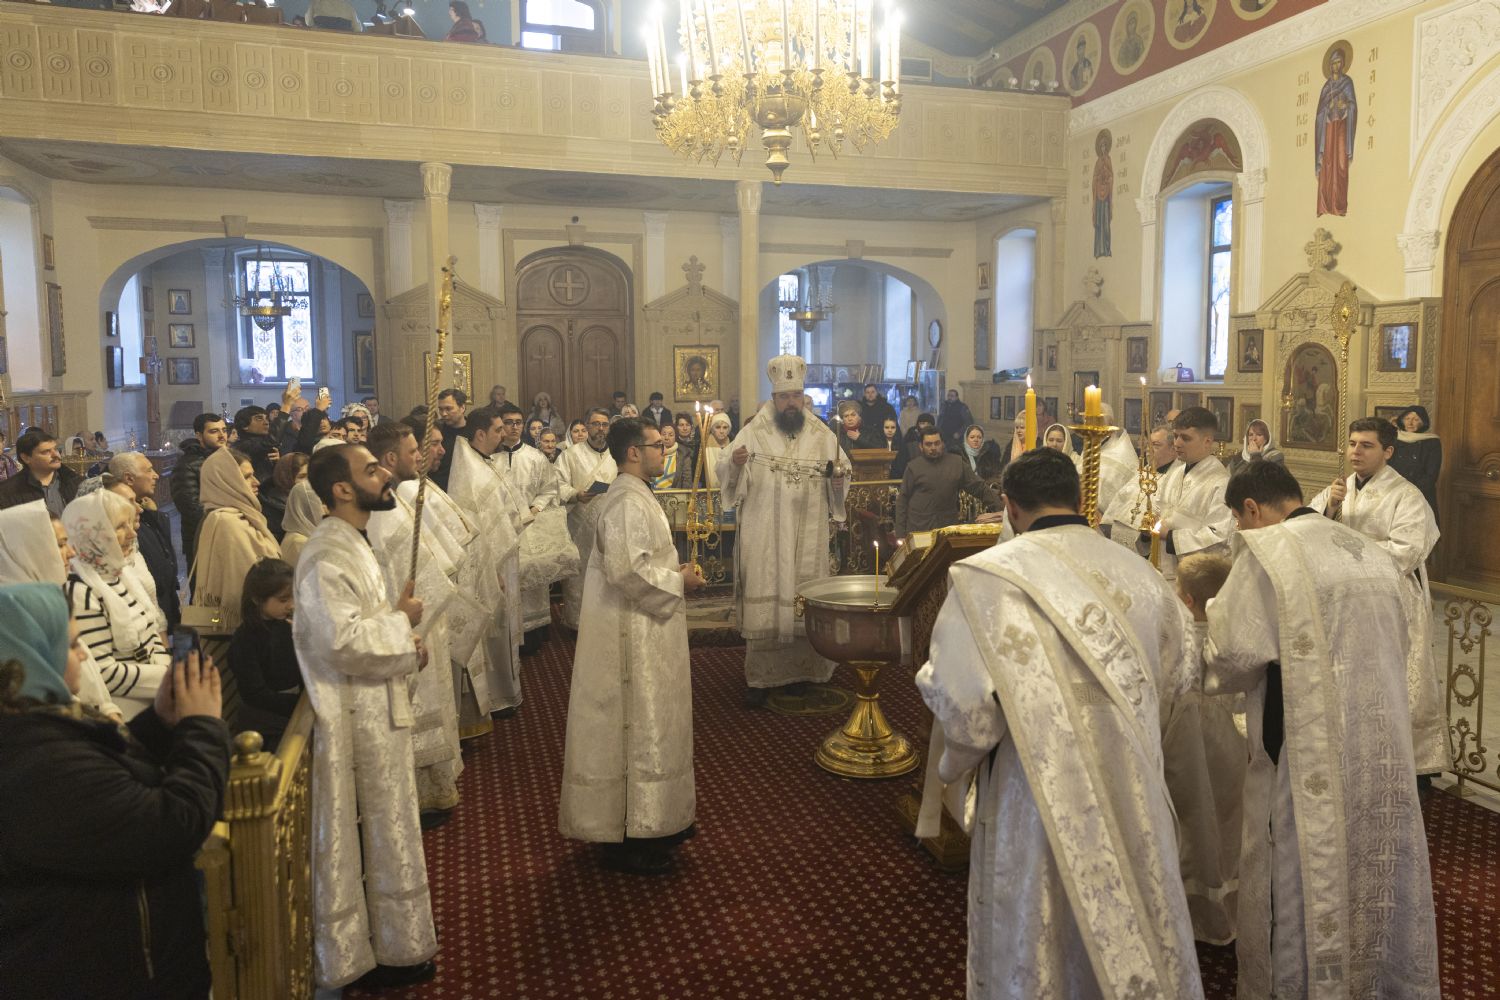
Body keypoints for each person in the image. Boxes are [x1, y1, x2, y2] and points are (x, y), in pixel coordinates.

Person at [915, 448, 1202, 998]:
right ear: (1078, 499)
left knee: (1038, 931)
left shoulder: (985, 579)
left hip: (1031, 795)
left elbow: (966, 711)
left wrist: (955, 770)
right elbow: (1179, 679)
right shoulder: (1143, 575)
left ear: (1009, 507)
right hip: (1133, 781)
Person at [1206, 460, 1440, 998]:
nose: (1241, 531)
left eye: (1239, 521)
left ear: (1251, 509)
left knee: (1300, 867)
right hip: (1376, 740)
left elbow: (1234, 655)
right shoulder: (1368, 552)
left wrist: (1212, 614)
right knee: (1368, 862)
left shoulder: (1268, 552)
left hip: (1304, 746)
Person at [0, 582, 229, 1000]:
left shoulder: (34, 728)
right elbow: (171, 825)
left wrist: (159, 724)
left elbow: (108, 787)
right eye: (72, 645)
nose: (84, 654)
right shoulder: (34, 760)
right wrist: (204, 728)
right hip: (108, 975)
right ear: (31, 655)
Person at [294, 446, 437, 990]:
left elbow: (364, 623)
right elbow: (341, 641)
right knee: (368, 835)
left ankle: (397, 942)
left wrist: (404, 638)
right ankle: (364, 954)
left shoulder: (354, 540)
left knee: (388, 830)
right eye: (372, 470)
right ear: (342, 489)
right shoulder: (325, 554)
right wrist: (400, 623)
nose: (385, 474)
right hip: (353, 721)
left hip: (375, 711)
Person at [559, 417, 705, 874]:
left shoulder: (636, 493)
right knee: (637, 726)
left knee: (654, 724)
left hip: (648, 629)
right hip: (632, 637)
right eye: (657, 445)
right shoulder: (625, 501)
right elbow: (626, 570)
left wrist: (673, 573)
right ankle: (632, 834)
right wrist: (678, 582)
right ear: (634, 453)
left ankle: (652, 821)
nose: (665, 451)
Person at [1309, 416, 1446, 778]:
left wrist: (1345, 547)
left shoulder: (1407, 496)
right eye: (1353, 444)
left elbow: (1407, 551)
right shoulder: (1338, 489)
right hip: (1346, 600)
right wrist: (1330, 510)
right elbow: (1307, 531)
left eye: (1367, 445)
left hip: (1391, 601)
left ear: (1388, 451)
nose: (1356, 451)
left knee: (1395, 682)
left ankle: (1410, 766)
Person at [718, 355, 851, 705]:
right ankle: (761, 679)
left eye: (796, 396)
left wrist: (837, 480)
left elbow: (842, 470)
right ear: (774, 398)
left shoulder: (821, 433)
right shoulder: (754, 431)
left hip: (808, 530)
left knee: (803, 596)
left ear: (802, 396)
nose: (791, 403)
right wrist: (736, 463)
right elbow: (726, 466)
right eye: (784, 397)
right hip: (765, 532)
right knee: (768, 590)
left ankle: (804, 673)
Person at [365, 422, 464, 823]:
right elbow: (392, 576)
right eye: (412, 452)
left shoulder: (397, 496)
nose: (420, 456)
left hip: (423, 617)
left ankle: (437, 786)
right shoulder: (382, 508)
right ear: (391, 458)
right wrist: (405, 624)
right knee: (419, 706)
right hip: (408, 624)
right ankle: (421, 795)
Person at [1166, 550, 1245, 945]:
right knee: (1227, 820)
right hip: (1229, 741)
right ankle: (1227, 911)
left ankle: (1189, 915)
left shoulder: (1176, 642)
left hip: (1185, 741)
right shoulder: (1233, 634)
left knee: (1190, 821)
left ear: (1187, 600)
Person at [0, 501, 122, 719]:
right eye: (60, 544)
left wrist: (109, 712)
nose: (71, 553)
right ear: (27, 551)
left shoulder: (50, 600)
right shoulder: (14, 617)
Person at [63, 490, 170, 718]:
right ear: (92, 533)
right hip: (128, 712)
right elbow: (103, 670)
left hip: (156, 697)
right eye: (120, 526)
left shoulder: (119, 574)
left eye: (130, 524)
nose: (132, 533)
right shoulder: (80, 591)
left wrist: (167, 668)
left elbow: (151, 632)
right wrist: (169, 678)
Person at [446, 405, 525, 717]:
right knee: (495, 628)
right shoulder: (472, 473)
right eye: (498, 429)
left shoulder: (481, 462)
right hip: (489, 565)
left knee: (505, 626)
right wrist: (492, 571)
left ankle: (508, 687)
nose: (503, 433)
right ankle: (497, 695)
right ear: (480, 434)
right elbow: (479, 530)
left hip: (502, 559)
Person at [490, 403, 577, 655]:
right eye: (508, 422)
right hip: (501, 528)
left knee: (532, 583)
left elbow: (549, 489)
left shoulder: (535, 457)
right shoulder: (491, 459)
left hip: (530, 526)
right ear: (500, 425)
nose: (514, 427)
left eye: (518, 422)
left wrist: (535, 509)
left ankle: (533, 636)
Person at [189, 448, 281, 633]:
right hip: (239, 628)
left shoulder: (241, 516)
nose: (256, 482)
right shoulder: (226, 522)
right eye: (247, 477)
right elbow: (239, 585)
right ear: (226, 481)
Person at [227, 558, 303, 749]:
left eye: (294, 597)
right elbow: (255, 694)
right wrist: (298, 703)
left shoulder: (288, 624)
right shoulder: (245, 638)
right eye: (283, 600)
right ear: (257, 599)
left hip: (292, 709)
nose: (291, 605)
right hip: (263, 722)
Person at [1152, 407, 1234, 579]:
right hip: (1163, 568)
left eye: (1185, 438)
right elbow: (1159, 510)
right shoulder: (1175, 473)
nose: (1177, 443)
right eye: (1175, 436)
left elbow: (1219, 536)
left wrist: (1171, 537)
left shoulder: (1221, 482)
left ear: (1207, 441)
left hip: (1195, 579)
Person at [556, 408, 618, 631]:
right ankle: (578, 623)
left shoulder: (617, 454)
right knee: (581, 573)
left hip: (611, 524)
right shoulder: (570, 455)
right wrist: (576, 494)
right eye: (596, 424)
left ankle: (608, 621)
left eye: (604, 425)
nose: (600, 429)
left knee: (610, 571)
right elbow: (557, 485)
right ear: (587, 426)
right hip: (580, 525)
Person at [108, 452, 181, 632]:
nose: (156, 475)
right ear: (129, 478)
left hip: (165, 603)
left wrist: (155, 514)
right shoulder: (123, 525)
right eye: (149, 470)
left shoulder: (145, 509)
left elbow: (164, 551)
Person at [894, 427, 1002, 540]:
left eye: (937, 443)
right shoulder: (913, 467)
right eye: (928, 444)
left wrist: (1002, 510)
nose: (933, 447)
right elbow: (902, 500)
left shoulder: (956, 463)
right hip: (918, 529)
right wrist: (900, 534)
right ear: (921, 446)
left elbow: (979, 488)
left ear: (943, 444)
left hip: (947, 530)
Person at [1102, 423, 1179, 546]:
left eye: (1156, 445)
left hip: (1151, 545)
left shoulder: (1177, 479)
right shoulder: (1141, 474)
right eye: (1148, 444)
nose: (1148, 449)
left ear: (1173, 449)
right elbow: (1119, 501)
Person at [172, 414, 227, 570]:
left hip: (226, 533)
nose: (222, 435)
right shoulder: (186, 465)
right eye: (214, 431)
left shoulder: (225, 457)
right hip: (201, 537)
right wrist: (224, 522)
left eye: (224, 430)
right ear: (199, 435)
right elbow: (191, 508)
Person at [0, 430, 82, 514]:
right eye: (46, 452)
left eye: (56, 449)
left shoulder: (77, 482)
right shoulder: (7, 492)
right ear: (26, 458)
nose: (55, 455)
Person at [1389, 404, 1442, 523]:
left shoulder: (1432, 442)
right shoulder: (1394, 439)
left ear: (1423, 422)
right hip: (1395, 491)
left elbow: (1432, 474)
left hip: (1420, 493)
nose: (1410, 423)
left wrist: (1412, 491)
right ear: (1402, 421)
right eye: (1407, 418)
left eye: (1416, 419)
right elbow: (1387, 466)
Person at [262, 452, 310, 541]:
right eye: (302, 477)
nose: (308, 482)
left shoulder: (309, 499)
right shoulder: (274, 508)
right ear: (286, 478)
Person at [279, 479, 325, 568]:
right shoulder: (299, 542)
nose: (326, 508)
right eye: (322, 502)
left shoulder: (305, 535)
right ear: (308, 505)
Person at [233, 405, 281, 485]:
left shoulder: (265, 444)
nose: (266, 422)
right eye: (259, 418)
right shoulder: (243, 446)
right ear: (244, 425)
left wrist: (277, 462)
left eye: (266, 418)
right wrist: (286, 407)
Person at [431, 388, 468, 491]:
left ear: (462, 408)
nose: (443, 414)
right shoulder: (436, 431)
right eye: (441, 409)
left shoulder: (474, 431)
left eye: (448, 409)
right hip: (439, 488)